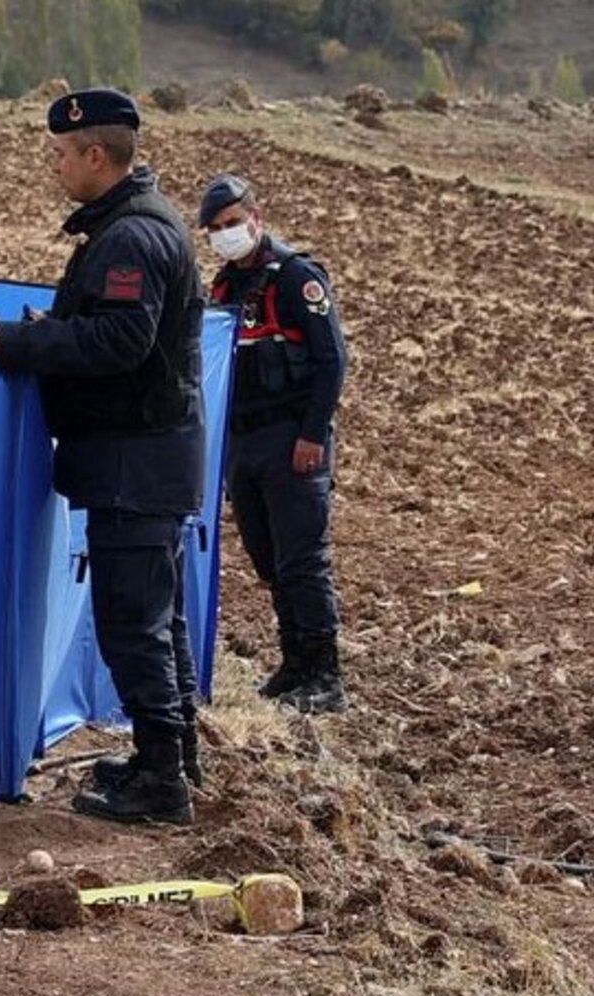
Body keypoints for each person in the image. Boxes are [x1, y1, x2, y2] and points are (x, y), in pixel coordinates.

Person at [0, 89, 205, 825]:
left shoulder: (131, 239)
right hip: (141, 456)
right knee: (155, 618)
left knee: (132, 622)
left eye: (61, 153)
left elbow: (119, 342)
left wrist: (22, 344)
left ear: (96, 155)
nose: (55, 166)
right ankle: (169, 757)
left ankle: (163, 784)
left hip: (134, 462)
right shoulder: (129, 227)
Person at [199, 173, 348, 713]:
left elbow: (332, 361)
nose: (226, 234)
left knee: (302, 559)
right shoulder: (223, 288)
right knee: (268, 560)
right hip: (244, 441)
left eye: (234, 223)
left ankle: (325, 674)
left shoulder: (295, 278)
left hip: (292, 440)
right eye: (216, 228)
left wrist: (312, 435)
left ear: (256, 218)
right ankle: (294, 663)